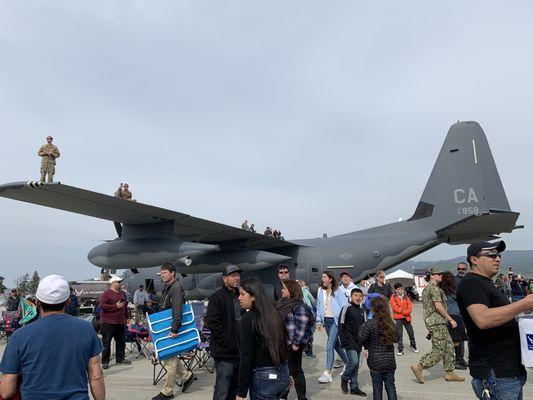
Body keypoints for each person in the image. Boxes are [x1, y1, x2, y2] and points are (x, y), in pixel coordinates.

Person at [0, 274, 105, 400]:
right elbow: (96, 376)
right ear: (68, 301)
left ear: (37, 302)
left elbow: (7, 390)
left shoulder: (20, 336)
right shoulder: (86, 329)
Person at [457, 241, 533, 399]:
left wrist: (522, 311)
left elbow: (500, 315)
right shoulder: (472, 283)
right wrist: (522, 304)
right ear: (474, 260)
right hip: (495, 372)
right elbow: (482, 319)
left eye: (498, 255)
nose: (497, 259)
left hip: (507, 372)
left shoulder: (485, 283)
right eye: (491, 255)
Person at [236, 277, 290, 400]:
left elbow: (246, 357)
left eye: (243, 294)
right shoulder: (274, 313)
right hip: (282, 373)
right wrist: (288, 373)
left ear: (253, 296)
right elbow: (284, 345)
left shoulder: (248, 319)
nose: (239, 298)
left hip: (264, 378)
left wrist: (241, 392)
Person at [411, 267, 464, 384]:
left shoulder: (430, 289)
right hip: (437, 322)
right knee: (439, 350)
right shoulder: (433, 289)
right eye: (438, 273)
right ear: (432, 276)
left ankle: (449, 372)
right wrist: (450, 319)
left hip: (437, 322)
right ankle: (420, 366)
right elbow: (438, 306)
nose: (441, 275)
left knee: (449, 346)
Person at [152, 264, 195, 400]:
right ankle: (187, 376)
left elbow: (177, 308)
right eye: (161, 273)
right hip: (166, 326)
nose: (162, 275)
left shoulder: (176, 287)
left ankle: (167, 392)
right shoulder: (169, 287)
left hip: (171, 327)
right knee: (169, 357)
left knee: (168, 358)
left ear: (173, 273)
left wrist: (175, 328)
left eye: (164, 272)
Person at [206, 265, 243, 400]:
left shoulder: (241, 295)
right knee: (222, 390)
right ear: (224, 278)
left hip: (240, 352)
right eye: (233, 275)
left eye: (238, 275)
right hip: (225, 354)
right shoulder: (216, 297)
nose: (236, 278)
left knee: (235, 389)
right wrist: (226, 342)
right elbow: (213, 323)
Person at [277, 279, 313, 400]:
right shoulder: (283, 303)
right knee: (288, 370)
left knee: (296, 370)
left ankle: (301, 397)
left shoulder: (299, 305)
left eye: (284, 289)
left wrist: (296, 343)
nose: (282, 290)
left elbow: (302, 325)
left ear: (291, 290)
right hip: (285, 343)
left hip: (294, 344)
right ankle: (284, 395)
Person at [358, 296, 397, 400]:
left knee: (377, 387)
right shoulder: (390, 323)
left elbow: (361, 338)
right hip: (389, 361)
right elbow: (397, 338)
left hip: (375, 361)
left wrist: (361, 328)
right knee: (390, 386)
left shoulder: (369, 324)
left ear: (372, 309)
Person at [316, 271, 349, 384]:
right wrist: (319, 321)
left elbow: (344, 306)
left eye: (324, 277)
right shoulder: (321, 291)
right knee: (336, 345)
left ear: (330, 279)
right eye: (322, 277)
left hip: (336, 322)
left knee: (329, 346)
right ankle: (348, 362)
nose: (322, 279)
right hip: (327, 321)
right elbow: (318, 306)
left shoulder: (338, 290)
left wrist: (343, 323)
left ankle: (327, 373)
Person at [338, 288, 367, 397]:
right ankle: (344, 377)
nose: (358, 298)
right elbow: (341, 324)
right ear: (351, 297)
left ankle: (354, 387)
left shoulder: (362, 310)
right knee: (354, 362)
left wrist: (364, 342)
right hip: (349, 341)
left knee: (356, 365)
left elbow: (364, 327)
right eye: (356, 295)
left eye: (360, 296)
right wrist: (343, 340)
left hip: (358, 341)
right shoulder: (347, 308)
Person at [99, 276, 132, 370]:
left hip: (120, 321)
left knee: (121, 341)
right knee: (107, 342)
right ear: (112, 283)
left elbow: (125, 306)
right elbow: (102, 305)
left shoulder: (122, 293)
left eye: (120, 282)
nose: (120, 284)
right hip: (108, 321)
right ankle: (105, 361)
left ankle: (120, 358)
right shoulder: (106, 293)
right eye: (118, 282)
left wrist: (128, 317)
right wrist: (115, 306)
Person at [439, 271, 468, 370]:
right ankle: (458, 360)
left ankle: (457, 360)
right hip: (455, 316)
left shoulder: (442, 290)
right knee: (458, 340)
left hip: (448, 315)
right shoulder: (453, 291)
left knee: (454, 339)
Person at [389, 283, 417, 356]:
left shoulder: (405, 296)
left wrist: (407, 311)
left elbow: (410, 305)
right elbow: (394, 307)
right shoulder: (393, 297)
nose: (400, 290)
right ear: (395, 290)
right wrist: (403, 311)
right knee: (399, 334)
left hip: (407, 317)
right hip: (398, 318)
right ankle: (400, 349)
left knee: (411, 332)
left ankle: (413, 344)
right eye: (398, 289)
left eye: (401, 289)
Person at [298, 280, 317, 358]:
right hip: (309, 314)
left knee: (302, 332)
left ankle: (301, 350)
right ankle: (309, 353)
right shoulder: (305, 290)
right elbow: (313, 301)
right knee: (310, 332)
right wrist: (315, 309)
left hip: (300, 314)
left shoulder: (296, 292)